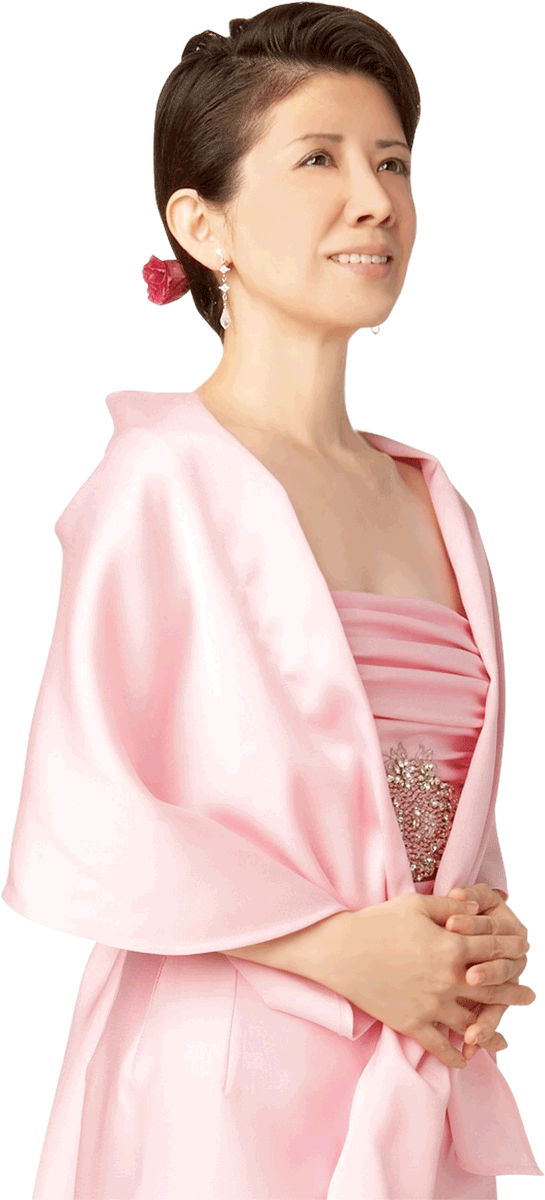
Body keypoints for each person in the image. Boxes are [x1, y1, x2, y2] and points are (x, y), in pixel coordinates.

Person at [2, 5, 540, 1198]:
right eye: (318, 160)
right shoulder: (159, 480)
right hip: (218, 1079)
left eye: (391, 161)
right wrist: (339, 948)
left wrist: (474, 931)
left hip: (408, 1078)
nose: (373, 199)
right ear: (201, 225)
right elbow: (80, 817)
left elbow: (423, 800)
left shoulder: (433, 500)